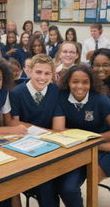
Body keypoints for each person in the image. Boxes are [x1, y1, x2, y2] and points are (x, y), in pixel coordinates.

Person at [53, 64, 110, 207]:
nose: (80, 86)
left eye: (85, 82)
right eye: (75, 81)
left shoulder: (101, 100)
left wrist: (94, 142)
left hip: (102, 150)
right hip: (77, 150)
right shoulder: (61, 97)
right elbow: (59, 129)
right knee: (68, 189)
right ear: (68, 82)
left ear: (91, 83)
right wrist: (86, 143)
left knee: (92, 178)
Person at [10, 54, 60, 207]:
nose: (42, 77)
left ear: (52, 75)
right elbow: (15, 126)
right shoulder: (16, 93)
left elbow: (58, 127)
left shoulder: (55, 91)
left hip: (50, 148)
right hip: (24, 149)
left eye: (47, 73)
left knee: (51, 184)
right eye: (38, 72)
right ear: (29, 71)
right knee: (44, 185)